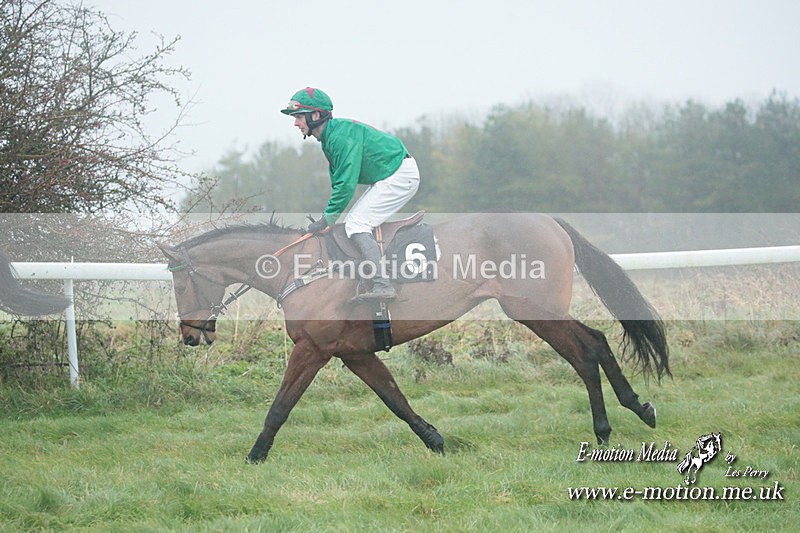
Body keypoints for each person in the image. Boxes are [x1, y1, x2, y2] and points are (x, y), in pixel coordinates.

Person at [281, 87, 420, 300]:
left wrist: (327, 218)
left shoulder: (339, 137)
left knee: (357, 224)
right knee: (354, 222)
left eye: (299, 117)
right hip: (390, 175)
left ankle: (383, 285)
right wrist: (327, 218)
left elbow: (346, 185)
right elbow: (339, 182)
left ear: (316, 115)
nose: (295, 123)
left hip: (399, 175)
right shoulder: (330, 137)